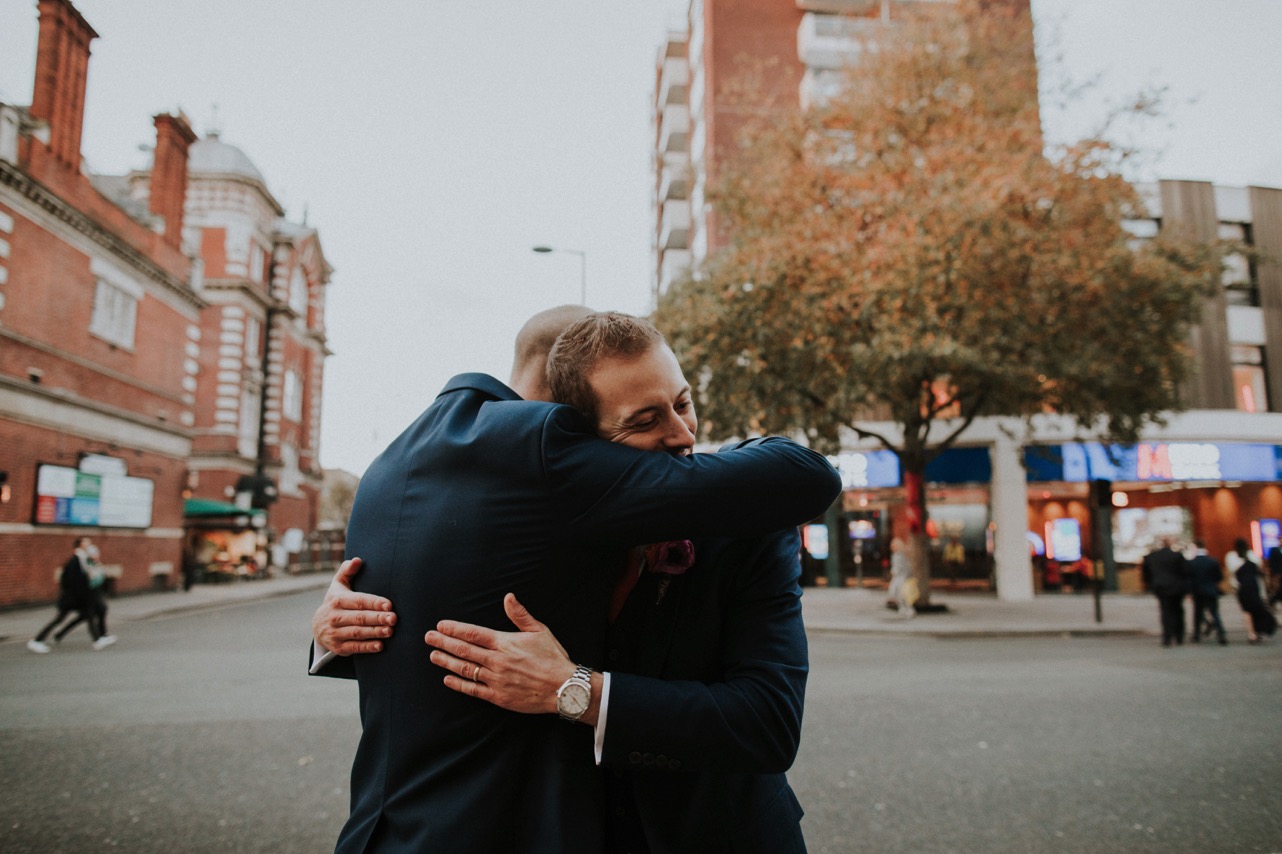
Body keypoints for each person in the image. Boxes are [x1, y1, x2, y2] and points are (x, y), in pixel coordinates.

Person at [313, 308, 840, 852]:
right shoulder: (523, 497)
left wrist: (576, 692)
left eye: (683, 402)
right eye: (642, 421)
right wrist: (337, 632)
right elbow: (431, 606)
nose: (682, 435)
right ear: (573, 431)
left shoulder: (746, 524)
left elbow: (768, 723)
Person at [27, 537, 116, 653]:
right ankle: (37, 640)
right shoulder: (75, 561)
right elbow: (71, 581)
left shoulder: (82, 560)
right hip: (72, 599)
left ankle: (98, 640)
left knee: (88, 615)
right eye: (86, 542)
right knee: (59, 619)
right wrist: (81, 594)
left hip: (77, 598)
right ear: (79, 545)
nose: (89, 545)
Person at [1141, 538, 1189, 647]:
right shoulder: (1177, 556)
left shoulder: (1153, 557)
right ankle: (1179, 636)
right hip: (1176, 587)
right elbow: (1186, 572)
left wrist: (1151, 584)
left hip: (1161, 587)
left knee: (1165, 612)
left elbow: (1146, 573)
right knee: (1178, 611)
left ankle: (1167, 636)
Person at [1229, 538, 1277, 644]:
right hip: (1254, 588)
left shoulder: (1231, 557)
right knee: (1256, 608)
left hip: (1241, 589)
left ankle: (1251, 633)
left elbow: (1232, 574)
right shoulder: (1254, 557)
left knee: (1246, 611)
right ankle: (1258, 630)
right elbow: (1259, 573)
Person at [1187, 540, 1227, 645]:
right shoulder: (1213, 561)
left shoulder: (1191, 563)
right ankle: (1221, 634)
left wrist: (1190, 591)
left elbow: (1189, 579)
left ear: (1195, 547)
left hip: (1197, 591)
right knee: (1214, 613)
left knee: (1198, 614)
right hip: (1211, 590)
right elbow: (1219, 577)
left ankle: (1196, 635)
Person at [886, 537, 915, 618]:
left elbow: (898, 568)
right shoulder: (903, 555)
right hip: (902, 578)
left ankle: (906, 609)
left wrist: (893, 571)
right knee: (902, 595)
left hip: (900, 578)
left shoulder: (898, 555)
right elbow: (907, 567)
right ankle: (904, 609)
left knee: (901, 595)